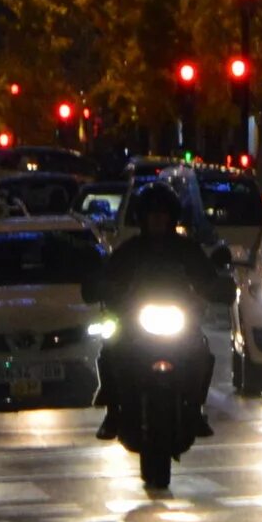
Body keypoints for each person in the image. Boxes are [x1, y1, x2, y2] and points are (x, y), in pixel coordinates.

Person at [85, 183, 229, 439]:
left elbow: (208, 277)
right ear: (143, 218)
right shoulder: (130, 250)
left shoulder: (187, 250)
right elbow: (107, 276)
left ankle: (194, 410)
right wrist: (100, 287)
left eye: (163, 214)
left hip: (180, 319)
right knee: (111, 347)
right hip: (136, 321)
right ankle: (114, 411)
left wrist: (218, 288)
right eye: (152, 214)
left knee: (201, 350)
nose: (158, 220)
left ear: (172, 217)